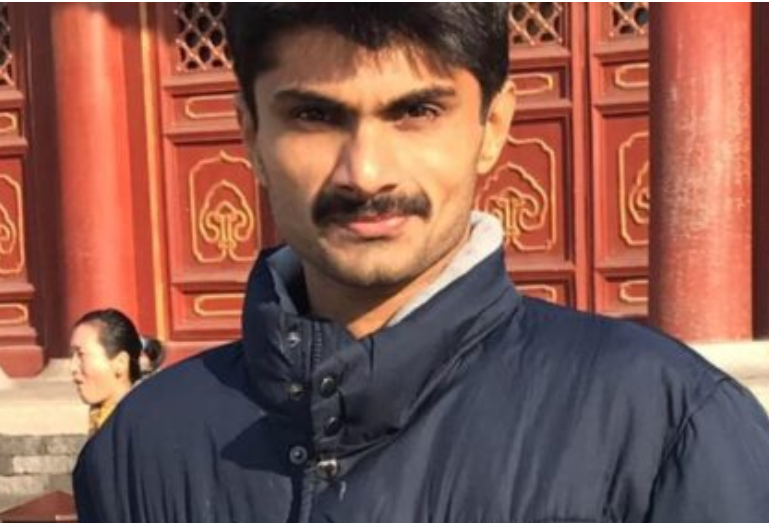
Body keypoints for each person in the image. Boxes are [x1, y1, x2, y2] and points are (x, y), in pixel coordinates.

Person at [73, 4, 769, 522]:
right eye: (314, 116)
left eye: (417, 111)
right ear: (251, 135)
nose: (366, 172)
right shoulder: (141, 448)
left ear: (492, 126)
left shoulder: (665, 425)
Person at [70, 308, 164, 435]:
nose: (73, 367)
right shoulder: (102, 420)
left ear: (120, 363)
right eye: (72, 355)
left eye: (81, 354)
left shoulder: (144, 428)